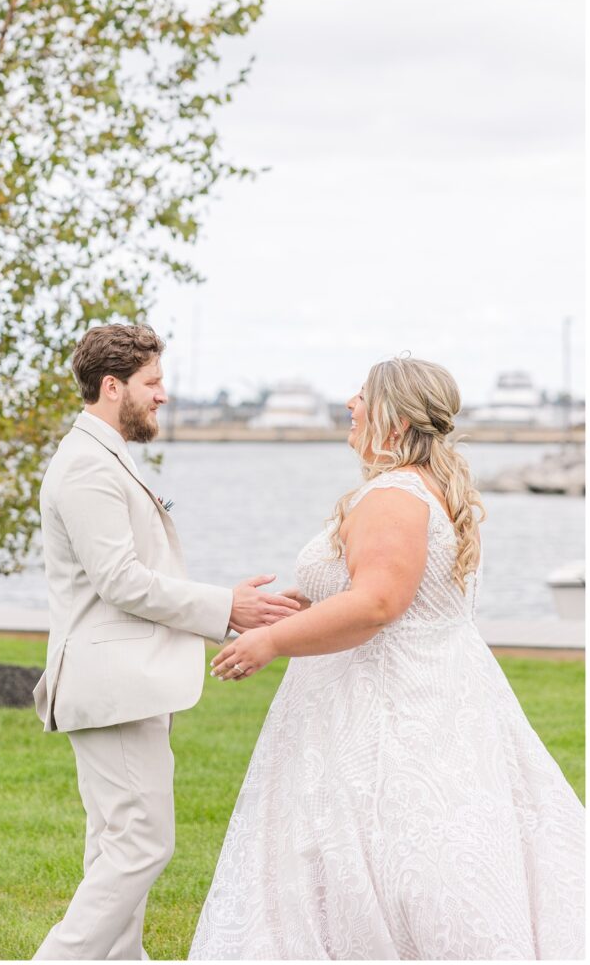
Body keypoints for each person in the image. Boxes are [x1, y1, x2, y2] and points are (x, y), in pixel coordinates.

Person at [190, 356, 585, 961]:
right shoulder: (426, 487)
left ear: (395, 421)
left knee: (393, 850)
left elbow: (378, 603)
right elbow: (390, 596)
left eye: (362, 395)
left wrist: (269, 641)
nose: (349, 402)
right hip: (437, 689)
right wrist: (314, 605)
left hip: (389, 707)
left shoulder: (394, 495)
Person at [32, 322, 299, 960]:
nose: (163, 396)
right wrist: (226, 606)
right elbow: (121, 581)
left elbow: (132, 577)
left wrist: (224, 602)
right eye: (153, 383)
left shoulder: (103, 456)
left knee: (116, 847)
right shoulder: (87, 467)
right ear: (112, 385)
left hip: (122, 684)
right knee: (141, 847)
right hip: (112, 687)